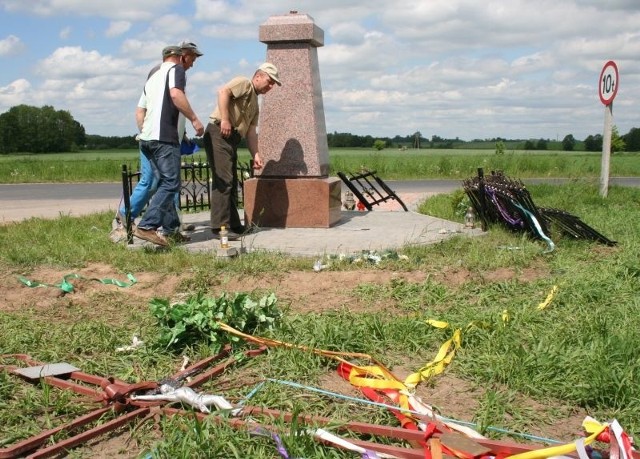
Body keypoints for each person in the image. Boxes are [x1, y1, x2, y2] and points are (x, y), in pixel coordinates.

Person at [110, 41, 204, 242]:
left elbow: (139, 110)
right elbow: (175, 94)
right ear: (180, 56)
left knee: (161, 182)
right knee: (171, 183)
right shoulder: (176, 70)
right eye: (192, 59)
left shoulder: (153, 76)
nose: (192, 64)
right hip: (164, 139)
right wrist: (194, 119)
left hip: (146, 139)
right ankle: (147, 225)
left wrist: (145, 132)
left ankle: (170, 230)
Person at [203, 62, 281, 241]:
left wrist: (256, 154)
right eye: (269, 82)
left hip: (232, 137)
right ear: (258, 76)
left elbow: (251, 132)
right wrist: (225, 119)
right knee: (224, 180)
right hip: (219, 131)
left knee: (231, 180)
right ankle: (220, 228)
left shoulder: (255, 102)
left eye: (273, 85)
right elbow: (223, 92)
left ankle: (234, 225)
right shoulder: (244, 83)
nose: (270, 87)